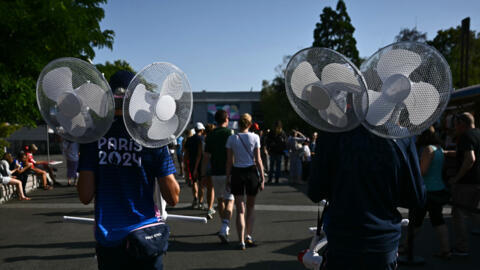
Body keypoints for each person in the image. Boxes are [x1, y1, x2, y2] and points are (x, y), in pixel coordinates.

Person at [77, 70, 180, 270]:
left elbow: (85, 195)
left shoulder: (93, 139)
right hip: (146, 237)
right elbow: (173, 197)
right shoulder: (151, 138)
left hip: (110, 238)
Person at [308, 127, 426, 270]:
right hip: (383, 240)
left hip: (342, 239)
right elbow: (416, 197)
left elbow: (315, 192)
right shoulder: (400, 136)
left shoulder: (332, 134)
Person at [408, 126, 452, 258]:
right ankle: (446, 249)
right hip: (438, 188)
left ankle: (407, 246)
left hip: (427, 191)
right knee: (437, 220)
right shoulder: (439, 149)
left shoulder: (428, 150)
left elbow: (423, 171)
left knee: (416, 221)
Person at [225, 113, 265, 250]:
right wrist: (263, 177)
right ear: (249, 124)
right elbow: (258, 159)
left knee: (240, 210)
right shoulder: (255, 137)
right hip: (251, 172)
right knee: (250, 207)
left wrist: (227, 178)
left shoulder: (231, 138)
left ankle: (241, 241)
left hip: (237, 173)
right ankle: (249, 235)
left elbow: (229, 161)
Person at [449, 112, 480, 256]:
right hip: (478, 180)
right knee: (475, 210)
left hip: (467, 181)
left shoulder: (466, 136)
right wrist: (448, 153)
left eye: (456, 124)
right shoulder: (478, 134)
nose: (454, 127)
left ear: (462, 124)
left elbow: (470, 158)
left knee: (459, 212)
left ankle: (462, 247)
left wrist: (457, 178)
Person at [202, 109, 235, 240]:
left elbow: (206, 157)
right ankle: (225, 227)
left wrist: (203, 174)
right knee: (230, 199)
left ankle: (223, 226)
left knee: (220, 199)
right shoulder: (230, 133)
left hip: (215, 171)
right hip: (229, 172)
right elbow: (232, 154)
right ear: (226, 119)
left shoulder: (210, 135)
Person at [184, 122, 205, 209]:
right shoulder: (202, 139)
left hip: (191, 163)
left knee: (194, 182)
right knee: (201, 183)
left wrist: (185, 165)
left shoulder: (189, 139)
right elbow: (201, 154)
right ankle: (200, 201)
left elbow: (186, 153)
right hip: (201, 163)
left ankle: (195, 198)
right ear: (202, 130)